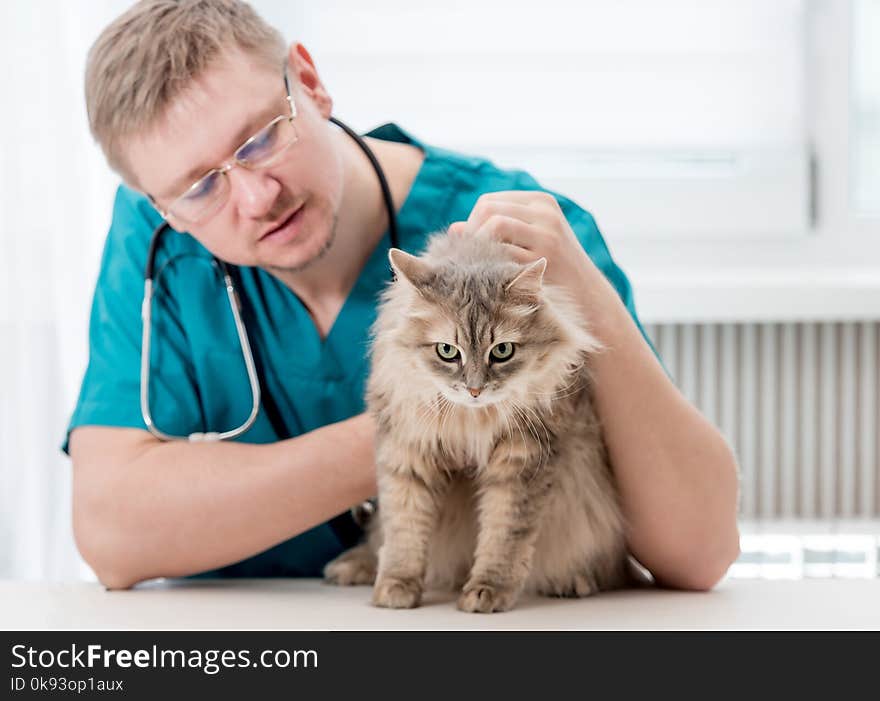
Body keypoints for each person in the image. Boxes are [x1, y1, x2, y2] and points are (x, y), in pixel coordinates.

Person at [65, 0, 740, 591]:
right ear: (160, 205)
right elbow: (112, 533)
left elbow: (700, 551)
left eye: (263, 136)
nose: (255, 196)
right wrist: (419, 429)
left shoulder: (518, 236)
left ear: (310, 82)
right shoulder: (158, 248)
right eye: (199, 187)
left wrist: (585, 294)